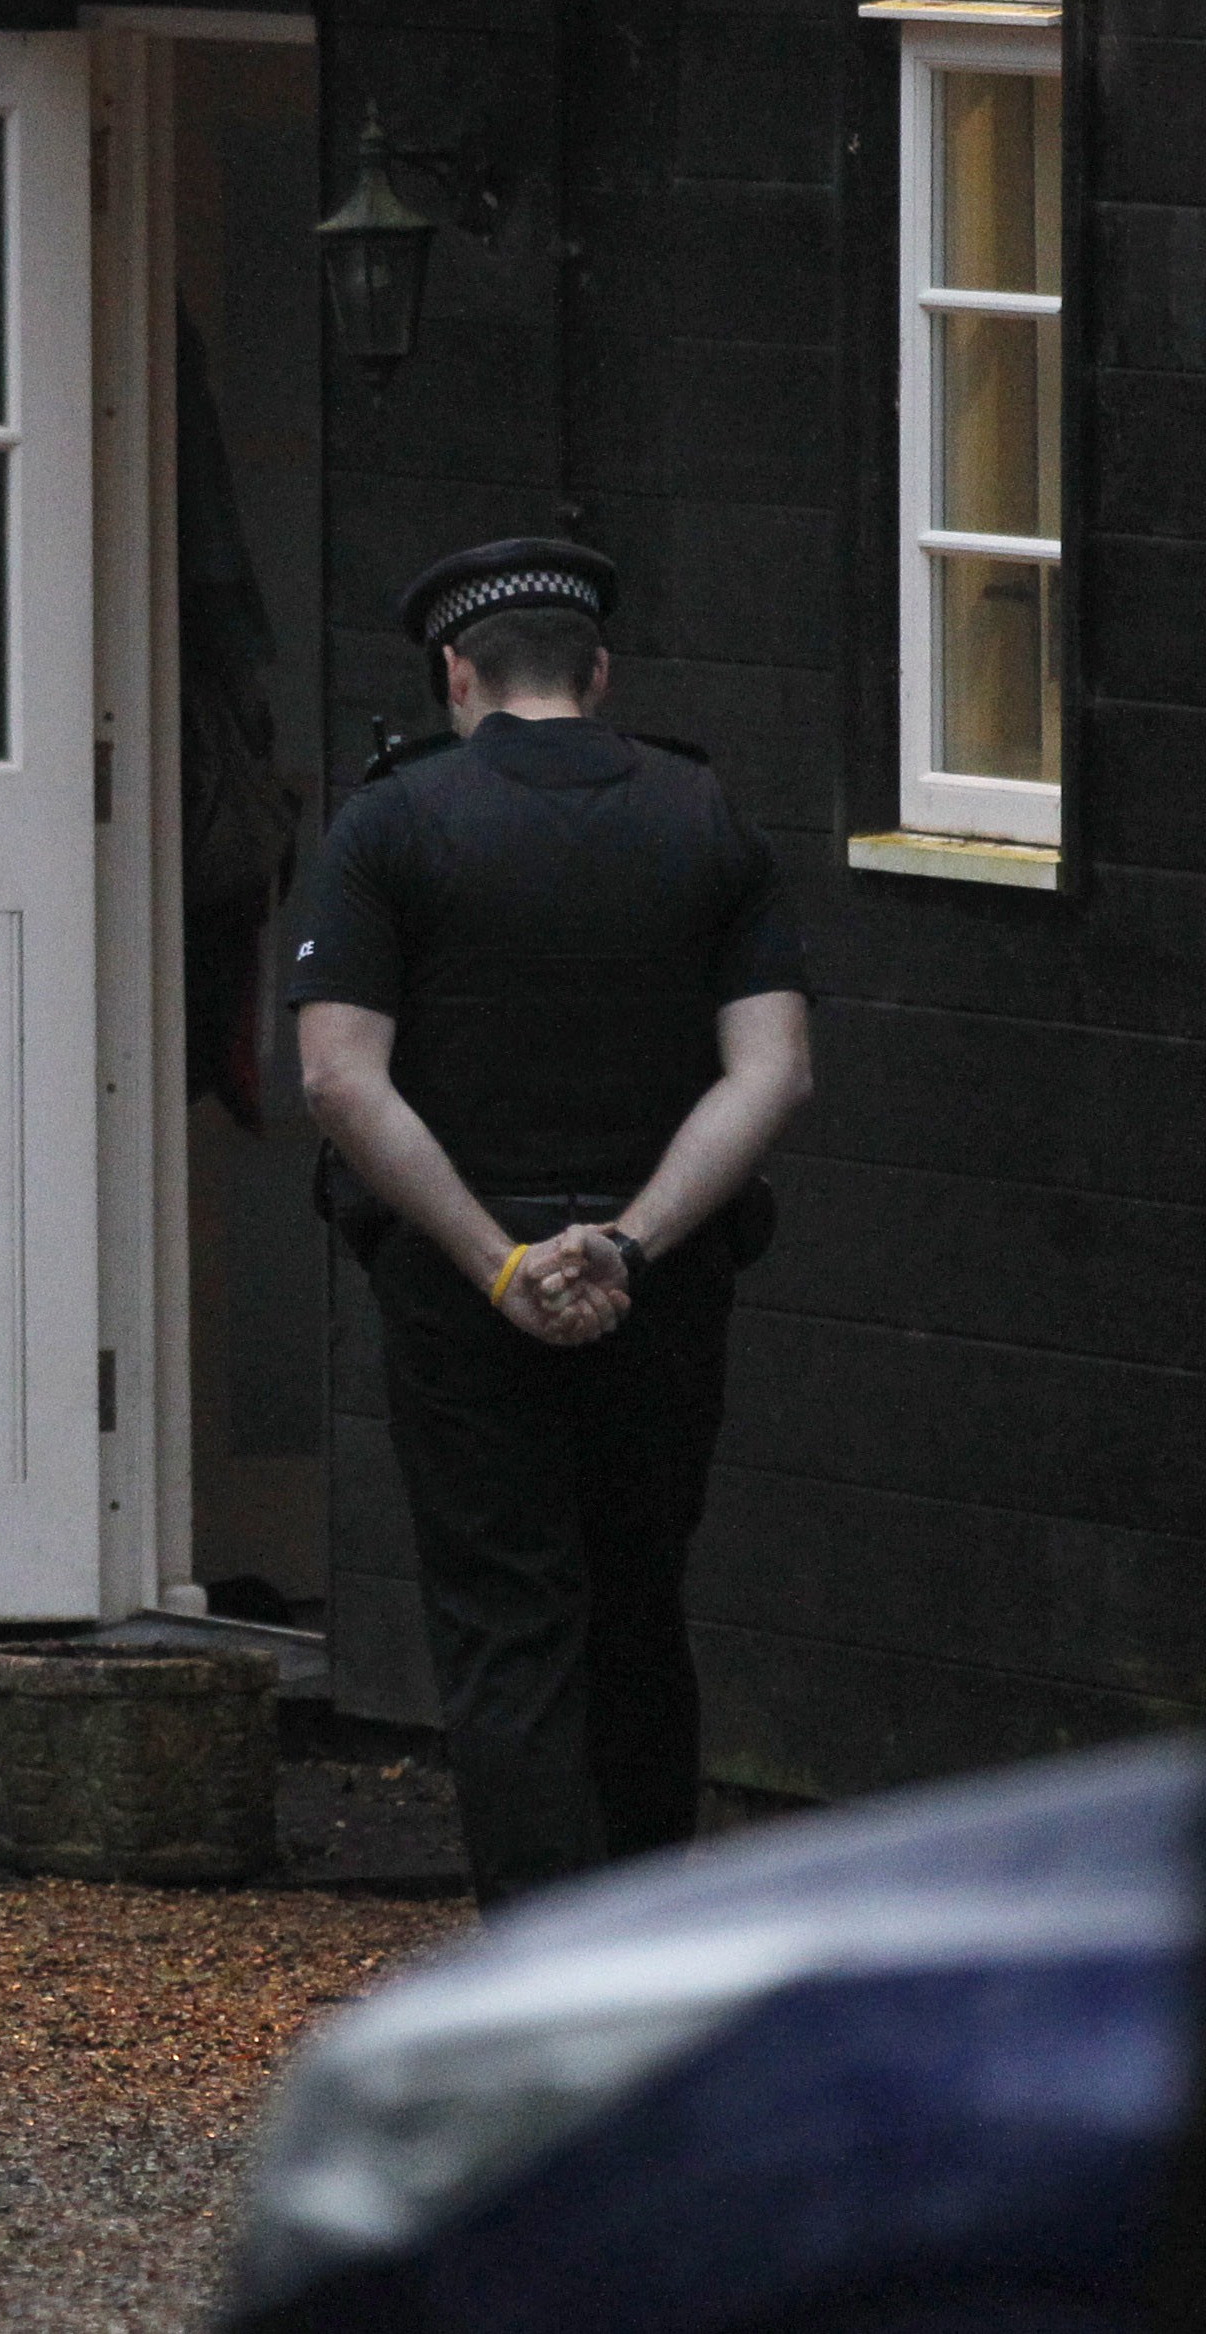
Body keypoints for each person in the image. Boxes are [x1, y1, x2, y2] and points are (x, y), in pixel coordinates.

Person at [285, 538, 813, 1909]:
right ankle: (643, 1939)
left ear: (455, 672)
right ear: (598, 673)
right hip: (662, 1290)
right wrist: (628, 1243)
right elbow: (771, 1069)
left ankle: (538, 1959)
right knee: (640, 1607)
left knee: (508, 1623)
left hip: (464, 1297)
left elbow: (338, 1074)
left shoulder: (389, 828)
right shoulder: (704, 816)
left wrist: (500, 1260)